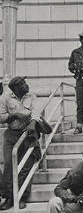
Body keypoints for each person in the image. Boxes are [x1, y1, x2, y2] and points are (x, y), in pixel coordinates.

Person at [0, 76, 40, 210]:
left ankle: (22, 196)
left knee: (25, 167)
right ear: (15, 89)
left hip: (28, 135)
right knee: (9, 165)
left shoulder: (31, 96)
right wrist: (15, 115)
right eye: (22, 84)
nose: (25, 85)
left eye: (25, 82)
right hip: (11, 134)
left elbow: (37, 113)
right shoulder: (5, 98)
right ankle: (9, 197)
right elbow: (1, 117)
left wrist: (32, 123)